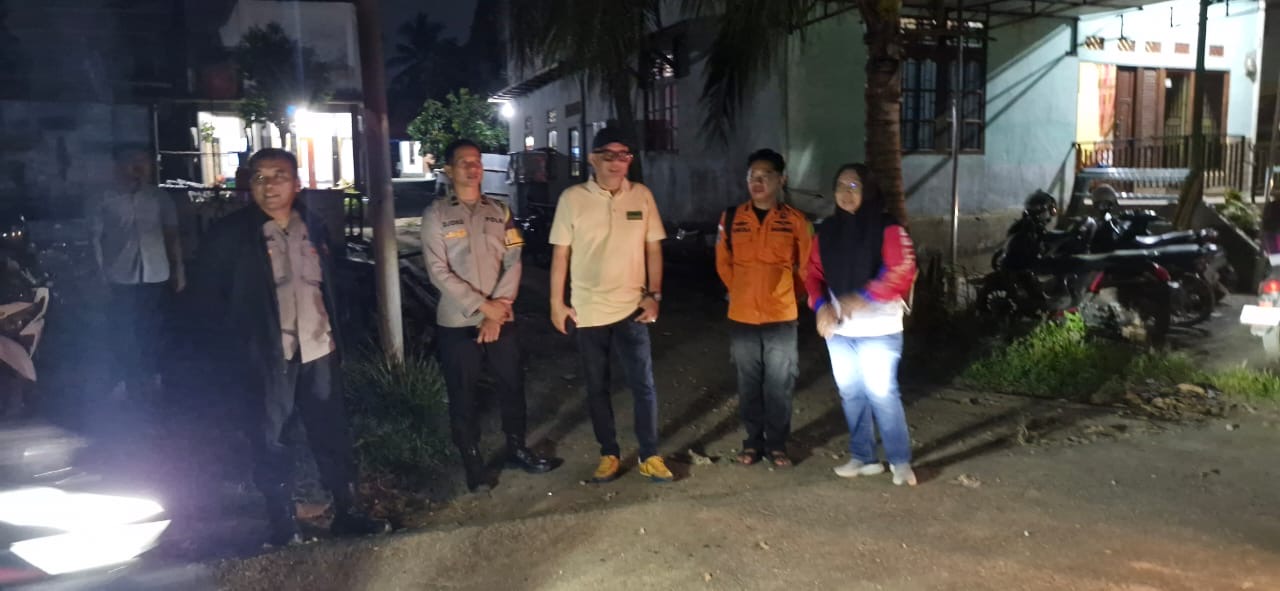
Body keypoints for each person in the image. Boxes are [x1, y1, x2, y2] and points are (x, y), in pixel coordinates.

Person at [195, 148, 388, 546]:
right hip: (266, 358)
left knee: (332, 433)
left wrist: (341, 335)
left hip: (319, 349)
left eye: (279, 176)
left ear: (297, 183)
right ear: (249, 185)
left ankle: (347, 511)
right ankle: (282, 522)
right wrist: (231, 354)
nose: (269, 186)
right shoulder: (229, 235)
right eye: (260, 177)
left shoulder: (313, 227)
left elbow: (331, 285)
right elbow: (206, 302)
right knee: (270, 438)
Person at [421, 139, 561, 493]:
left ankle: (517, 448)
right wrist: (485, 308)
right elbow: (438, 271)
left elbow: (514, 261)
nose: (472, 168)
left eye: (476, 161)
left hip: (502, 316)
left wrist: (498, 310)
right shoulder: (436, 215)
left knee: (512, 385)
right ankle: (473, 463)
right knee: (463, 395)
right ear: (449, 170)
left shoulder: (500, 211)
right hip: (458, 321)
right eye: (463, 162)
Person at [548, 127, 673, 483]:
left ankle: (649, 454)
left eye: (624, 155)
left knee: (643, 385)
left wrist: (654, 295)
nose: (617, 163)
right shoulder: (573, 199)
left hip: (633, 307)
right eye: (609, 155)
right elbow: (561, 254)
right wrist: (556, 303)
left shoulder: (641, 196)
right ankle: (609, 453)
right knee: (596, 386)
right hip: (588, 310)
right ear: (592, 159)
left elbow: (653, 248)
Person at [804, 163, 919, 486]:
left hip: (879, 329)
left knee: (882, 393)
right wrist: (820, 306)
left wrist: (862, 296)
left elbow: (901, 270)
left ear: (869, 190)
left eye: (853, 186)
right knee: (851, 393)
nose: (845, 192)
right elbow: (812, 273)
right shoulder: (827, 230)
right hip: (840, 330)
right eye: (840, 186)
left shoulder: (888, 228)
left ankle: (899, 461)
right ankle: (864, 457)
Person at [715, 149, 811, 467]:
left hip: (781, 316)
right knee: (748, 382)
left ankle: (777, 444)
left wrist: (788, 293)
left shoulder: (796, 221)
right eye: (751, 176)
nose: (756, 182)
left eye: (764, 176)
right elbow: (723, 262)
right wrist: (740, 290)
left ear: (781, 180)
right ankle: (753, 442)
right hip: (742, 315)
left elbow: (806, 266)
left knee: (780, 384)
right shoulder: (731, 218)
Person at [89, 147, 184, 401]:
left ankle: (152, 376)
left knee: (153, 329)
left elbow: (171, 235)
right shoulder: (104, 199)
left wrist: (178, 270)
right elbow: (94, 240)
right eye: (132, 162)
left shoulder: (159, 198)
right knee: (123, 330)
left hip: (156, 274)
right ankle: (125, 378)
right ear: (119, 166)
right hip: (120, 276)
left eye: (143, 162)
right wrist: (99, 275)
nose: (139, 167)